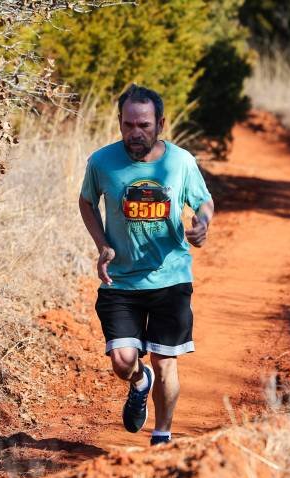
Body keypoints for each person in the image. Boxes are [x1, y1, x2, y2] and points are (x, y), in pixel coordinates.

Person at [79, 83, 214, 446]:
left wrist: (202, 223)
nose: (135, 133)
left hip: (170, 278)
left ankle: (161, 436)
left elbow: (203, 201)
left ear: (160, 124)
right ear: (119, 122)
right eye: (128, 125)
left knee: (165, 362)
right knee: (123, 361)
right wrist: (102, 244)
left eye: (144, 125)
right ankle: (139, 382)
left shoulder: (180, 162)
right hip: (121, 280)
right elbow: (87, 202)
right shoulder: (102, 162)